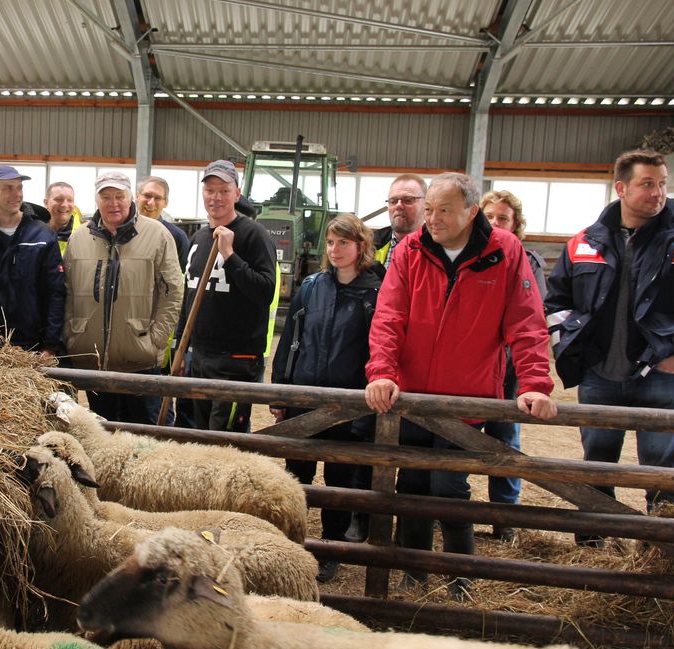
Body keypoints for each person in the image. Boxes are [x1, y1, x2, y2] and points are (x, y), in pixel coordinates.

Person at [365, 172, 556, 599]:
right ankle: (414, 571)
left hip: (467, 397)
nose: (432, 219)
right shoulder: (410, 250)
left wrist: (535, 382)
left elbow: (526, 321)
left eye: (444, 210)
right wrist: (382, 372)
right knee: (411, 484)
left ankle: (459, 574)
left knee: (450, 487)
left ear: (471, 211)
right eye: (429, 209)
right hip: (411, 396)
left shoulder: (505, 252)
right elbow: (389, 316)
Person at [546, 149, 674, 535]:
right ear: (621, 187)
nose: (658, 193)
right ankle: (594, 542)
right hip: (600, 374)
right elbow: (555, 304)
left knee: (662, 472)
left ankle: (663, 550)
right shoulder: (582, 243)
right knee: (599, 462)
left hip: (663, 375)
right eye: (647, 184)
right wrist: (572, 346)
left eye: (662, 184)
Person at [270, 214, 379, 583]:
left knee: (338, 478)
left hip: (346, 404)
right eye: (331, 243)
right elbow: (289, 339)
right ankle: (290, 545)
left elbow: (376, 349)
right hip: (304, 395)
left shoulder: (373, 293)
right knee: (296, 475)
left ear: (361, 247)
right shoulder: (312, 286)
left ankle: (331, 549)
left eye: (343, 243)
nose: (335, 250)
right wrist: (281, 387)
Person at [63, 171, 183, 423]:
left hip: (140, 359)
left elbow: (172, 292)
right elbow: (68, 292)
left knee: (146, 436)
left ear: (130, 199)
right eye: (106, 197)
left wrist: (155, 339)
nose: (113, 203)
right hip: (94, 360)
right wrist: (73, 335)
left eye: (119, 196)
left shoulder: (157, 235)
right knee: (106, 436)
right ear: (97, 200)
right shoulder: (79, 238)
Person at [179, 160, 277, 433]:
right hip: (200, 355)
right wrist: (181, 349)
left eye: (224, 190)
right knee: (201, 434)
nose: (216, 197)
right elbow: (189, 295)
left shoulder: (253, 235)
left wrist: (230, 256)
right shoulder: (198, 238)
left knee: (225, 440)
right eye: (210, 190)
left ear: (237, 193)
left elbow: (264, 290)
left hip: (236, 359)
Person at [479, 190, 548, 541]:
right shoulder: (473, 258)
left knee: (505, 444)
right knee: (454, 442)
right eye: (489, 217)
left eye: (502, 218)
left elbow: (530, 315)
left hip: (507, 372)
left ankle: (504, 521)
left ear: (515, 225)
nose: (495, 224)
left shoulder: (528, 261)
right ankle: (443, 515)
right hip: (473, 371)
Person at [0, 165, 65, 357]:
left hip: (33, 346)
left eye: (19, 188)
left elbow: (56, 292)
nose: (16, 194)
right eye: (8, 188)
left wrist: (50, 345)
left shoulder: (43, 235)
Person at [373, 174, 426, 269]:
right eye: (393, 201)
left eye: (408, 200)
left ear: (426, 204)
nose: (398, 205)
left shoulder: (439, 247)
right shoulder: (370, 244)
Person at [136, 175, 190, 271]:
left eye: (157, 198)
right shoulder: (123, 231)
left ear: (166, 203)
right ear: (137, 197)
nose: (151, 203)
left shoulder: (176, 236)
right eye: (147, 196)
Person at [44, 181, 80, 255]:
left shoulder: (85, 235)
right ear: (46, 203)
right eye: (59, 199)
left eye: (70, 200)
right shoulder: (32, 233)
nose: (64, 205)